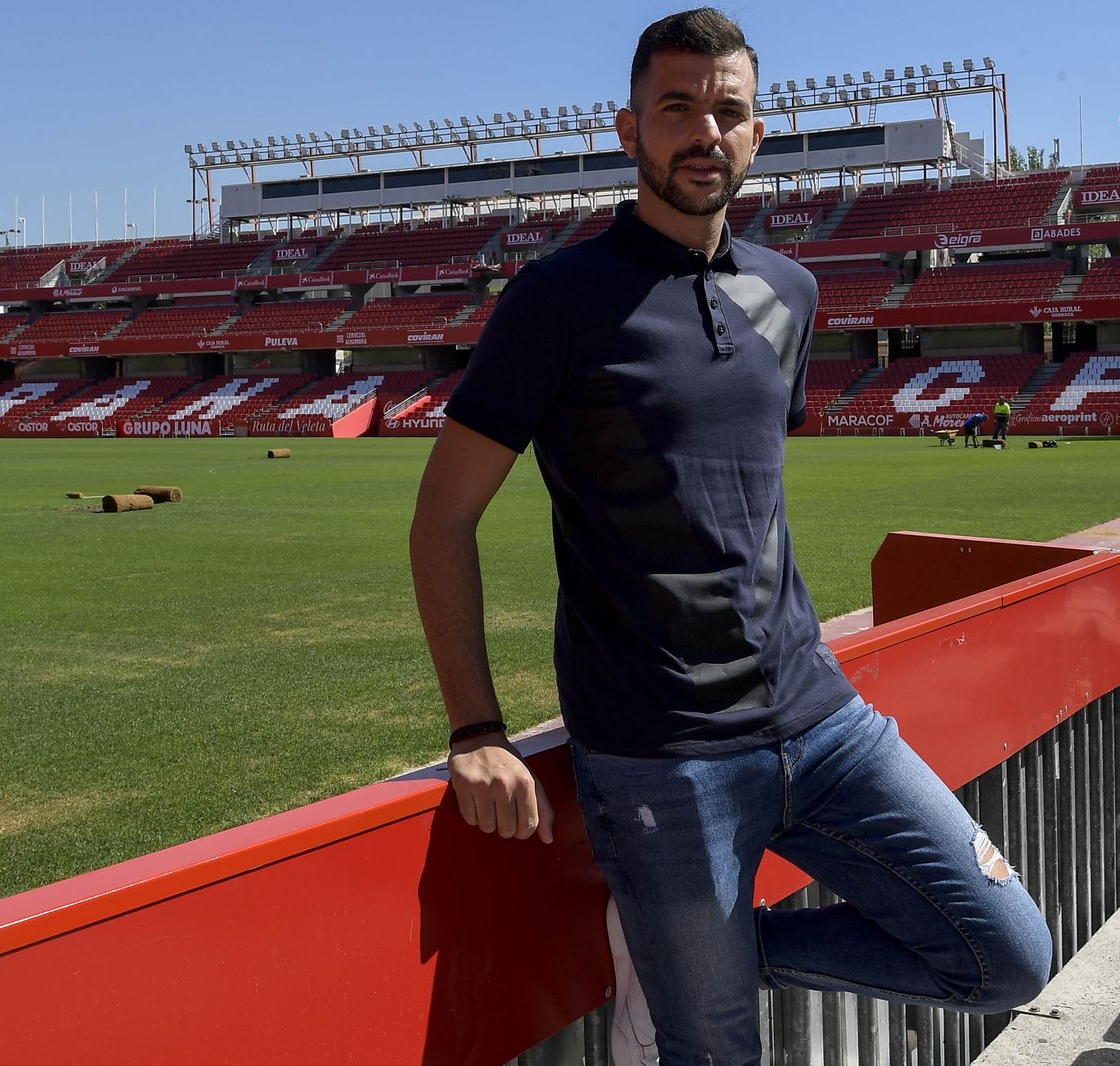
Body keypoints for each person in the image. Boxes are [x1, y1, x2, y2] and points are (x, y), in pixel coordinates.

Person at [409, 10, 1052, 1064]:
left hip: (823, 719)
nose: (704, 130)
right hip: (661, 755)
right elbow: (443, 517)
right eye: (677, 108)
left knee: (1006, 956)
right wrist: (475, 729)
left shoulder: (789, 293)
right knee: (716, 1055)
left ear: (757, 135)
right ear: (628, 129)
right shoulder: (555, 299)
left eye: (728, 110)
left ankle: (708, 951)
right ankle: (690, 961)